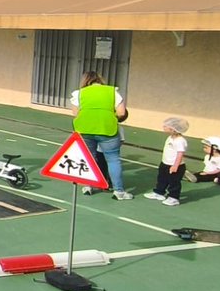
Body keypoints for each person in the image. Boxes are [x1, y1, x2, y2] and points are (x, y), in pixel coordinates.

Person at [71, 70, 131, 199]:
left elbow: (76, 114)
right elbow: (121, 112)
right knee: (113, 159)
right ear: (100, 80)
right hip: (107, 129)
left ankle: (88, 186)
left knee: (89, 158)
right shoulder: (112, 91)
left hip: (85, 129)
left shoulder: (79, 93)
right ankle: (119, 191)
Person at [144, 117, 188, 206]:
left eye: (166, 126)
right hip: (165, 163)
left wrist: (175, 166)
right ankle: (159, 192)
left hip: (175, 165)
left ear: (173, 129)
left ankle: (174, 197)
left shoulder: (180, 141)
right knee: (162, 179)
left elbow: (180, 154)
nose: (163, 127)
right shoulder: (170, 138)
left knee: (174, 182)